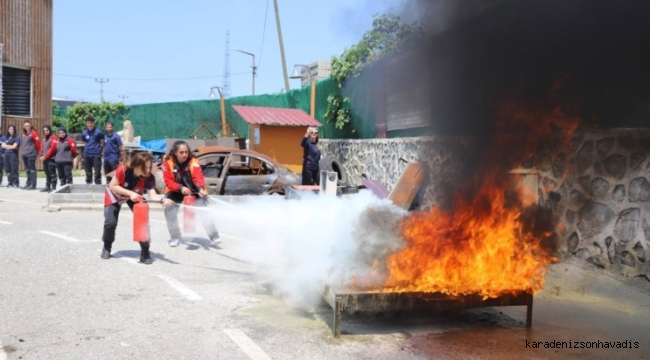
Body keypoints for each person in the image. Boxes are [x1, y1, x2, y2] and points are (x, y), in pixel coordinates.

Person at [101, 152, 171, 264]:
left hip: (133, 195)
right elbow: (113, 186)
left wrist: (162, 200)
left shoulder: (148, 177)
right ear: (137, 165)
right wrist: (130, 193)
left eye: (149, 167)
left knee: (143, 220)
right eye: (145, 167)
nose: (148, 170)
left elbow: (153, 195)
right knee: (110, 223)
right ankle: (107, 246)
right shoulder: (123, 170)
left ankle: (145, 252)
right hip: (115, 194)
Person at [162, 140, 221, 247]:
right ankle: (175, 237)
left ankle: (214, 236)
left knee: (204, 212)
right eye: (181, 152)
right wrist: (180, 188)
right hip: (175, 191)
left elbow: (198, 177)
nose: (184, 154)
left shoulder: (193, 162)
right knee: (169, 211)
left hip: (194, 191)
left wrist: (200, 189)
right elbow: (168, 181)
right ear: (175, 152)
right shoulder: (168, 162)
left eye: (186, 152)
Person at [82, 116, 105, 185]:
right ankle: (88, 185)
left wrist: (101, 152)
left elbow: (102, 143)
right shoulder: (84, 133)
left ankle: (98, 186)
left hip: (96, 154)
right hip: (87, 154)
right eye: (88, 123)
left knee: (97, 171)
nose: (90, 125)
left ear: (94, 123)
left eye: (91, 123)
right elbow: (85, 143)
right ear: (86, 123)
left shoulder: (99, 132)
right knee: (88, 172)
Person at [21, 121, 41, 190]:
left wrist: (39, 153)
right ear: (24, 127)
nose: (27, 127)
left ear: (31, 126)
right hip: (25, 154)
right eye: (26, 126)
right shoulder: (24, 134)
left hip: (31, 154)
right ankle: (28, 183)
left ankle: (33, 184)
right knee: (27, 169)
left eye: (28, 126)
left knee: (32, 169)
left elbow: (37, 143)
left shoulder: (34, 133)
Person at [40, 125, 59, 192]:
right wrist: (41, 155)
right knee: (47, 172)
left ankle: (53, 187)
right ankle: (47, 186)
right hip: (45, 158)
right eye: (44, 131)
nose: (45, 132)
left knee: (52, 173)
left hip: (52, 158)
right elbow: (42, 147)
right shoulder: (45, 138)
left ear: (50, 130)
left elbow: (53, 148)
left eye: (47, 130)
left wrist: (45, 156)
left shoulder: (54, 137)